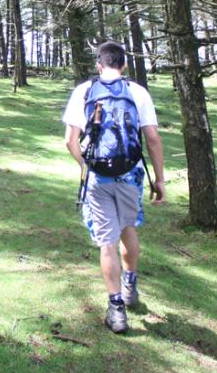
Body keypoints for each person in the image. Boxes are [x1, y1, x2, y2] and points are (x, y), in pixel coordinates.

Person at [61, 41, 165, 334]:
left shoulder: (84, 91)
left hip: (98, 176)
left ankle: (116, 309)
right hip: (130, 173)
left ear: (99, 64)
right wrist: (159, 179)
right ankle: (130, 284)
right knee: (128, 228)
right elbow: (153, 139)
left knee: (107, 240)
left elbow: (70, 140)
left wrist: (86, 167)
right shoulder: (137, 92)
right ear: (124, 65)